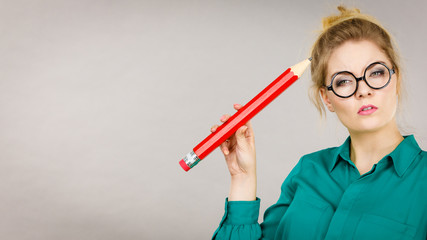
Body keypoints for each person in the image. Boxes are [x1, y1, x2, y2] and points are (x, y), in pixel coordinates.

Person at [210, 6, 427, 240]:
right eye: (344, 81)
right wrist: (242, 178)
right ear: (327, 98)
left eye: (376, 73)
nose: (363, 90)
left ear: (397, 79)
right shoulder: (308, 170)